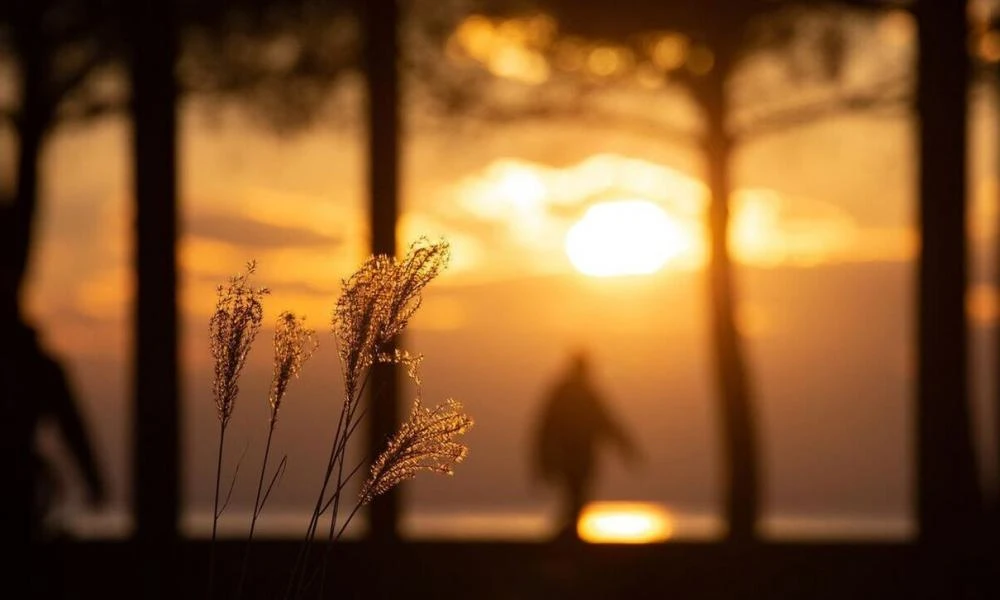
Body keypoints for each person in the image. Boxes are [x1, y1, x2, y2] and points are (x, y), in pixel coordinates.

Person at [531, 349, 642, 541]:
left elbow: (606, 421)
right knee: (576, 495)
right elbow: (547, 426)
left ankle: (568, 535)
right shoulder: (570, 392)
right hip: (571, 455)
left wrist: (627, 448)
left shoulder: (580, 392)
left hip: (580, 455)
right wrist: (543, 457)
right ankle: (567, 536)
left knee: (578, 496)